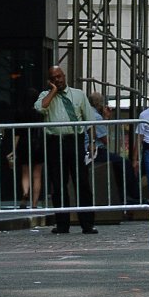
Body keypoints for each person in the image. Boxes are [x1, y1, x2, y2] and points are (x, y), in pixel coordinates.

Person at [34, 64, 98, 235]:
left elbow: (89, 119)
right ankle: (62, 224)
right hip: (55, 142)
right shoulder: (45, 96)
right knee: (58, 184)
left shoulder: (78, 94)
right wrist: (53, 91)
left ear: (64, 76)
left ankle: (87, 223)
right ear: (50, 80)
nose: (58, 80)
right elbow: (40, 108)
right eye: (54, 78)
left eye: (59, 76)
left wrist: (92, 141)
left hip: (74, 140)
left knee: (82, 182)